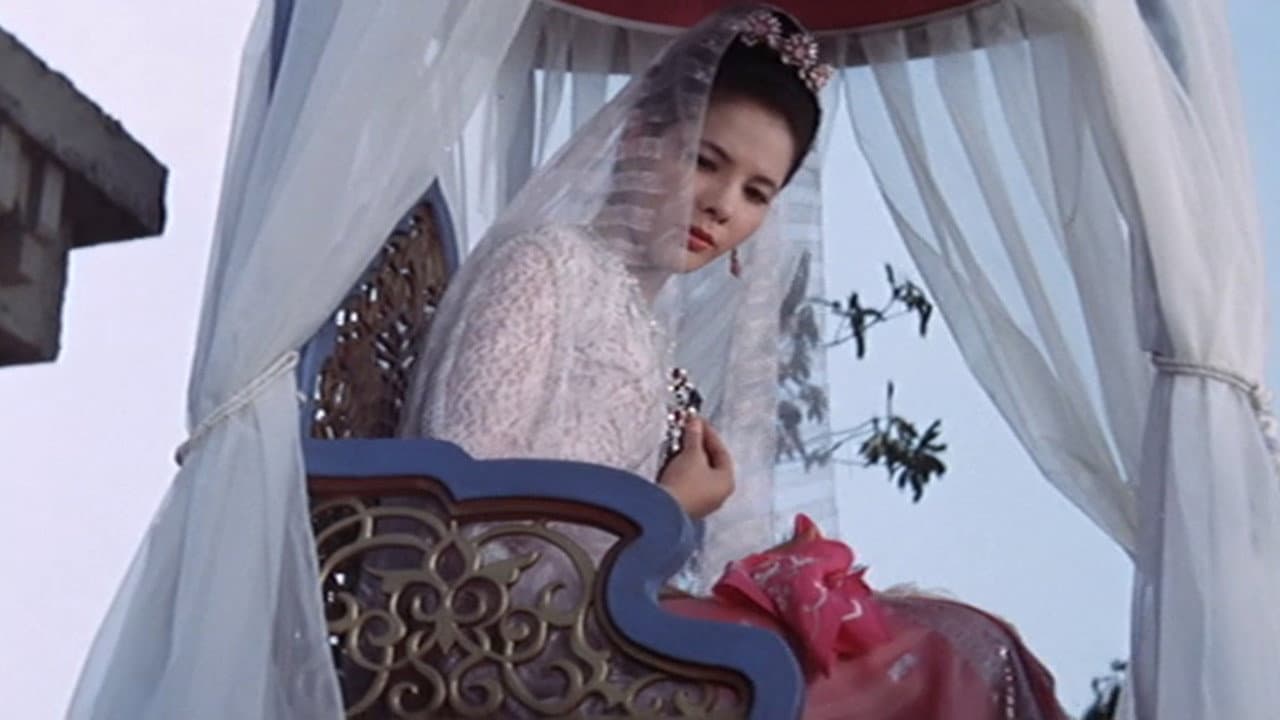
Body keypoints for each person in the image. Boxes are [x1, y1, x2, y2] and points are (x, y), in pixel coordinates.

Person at [401, 5, 1067, 718]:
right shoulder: (543, 267)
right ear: (638, 138)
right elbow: (459, 510)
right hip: (522, 640)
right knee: (938, 655)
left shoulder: (649, 335)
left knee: (960, 644)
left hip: (608, 625)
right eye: (704, 161)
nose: (722, 206)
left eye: (756, 193)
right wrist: (668, 508)